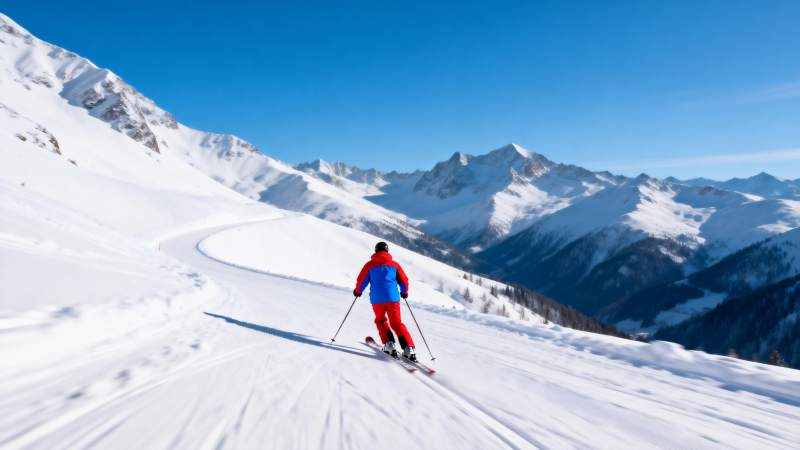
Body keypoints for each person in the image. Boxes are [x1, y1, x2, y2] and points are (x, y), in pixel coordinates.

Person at [353, 241, 417, 361]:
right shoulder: (394, 265)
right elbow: (403, 280)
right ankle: (408, 348)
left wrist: (358, 291)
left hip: (377, 299)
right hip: (393, 298)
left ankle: (389, 345)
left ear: (376, 251)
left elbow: (361, 280)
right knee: (396, 323)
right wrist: (404, 291)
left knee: (381, 321)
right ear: (387, 251)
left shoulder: (369, 265)